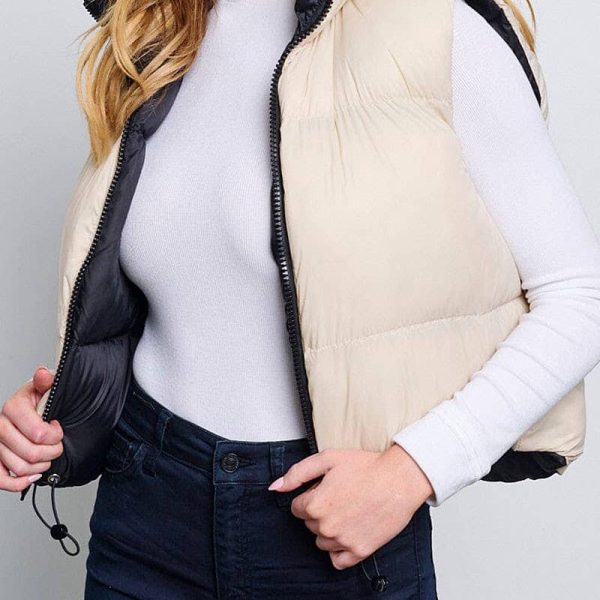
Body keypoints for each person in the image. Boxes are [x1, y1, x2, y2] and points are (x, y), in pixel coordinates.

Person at [2, 0, 600, 598]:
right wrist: (64, 411)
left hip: (330, 533)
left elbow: (580, 294)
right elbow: (177, 288)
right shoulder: (157, 31)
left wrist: (415, 468)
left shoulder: (436, 27)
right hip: (144, 512)